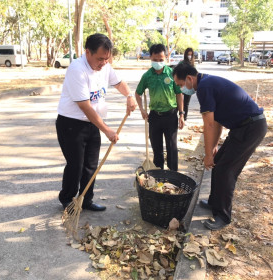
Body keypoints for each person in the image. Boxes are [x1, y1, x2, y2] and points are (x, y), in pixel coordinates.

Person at [172, 63, 267, 230]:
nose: (182, 89)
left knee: (226, 170)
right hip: (242, 127)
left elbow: (208, 125)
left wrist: (208, 154)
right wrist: (214, 147)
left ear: (189, 78)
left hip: (251, 128)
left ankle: (223, 215)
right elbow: (216, 122)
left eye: (181, 85)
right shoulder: (206, 83)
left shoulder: (204, 87)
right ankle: (214, 202)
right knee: (219, 163)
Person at [56, 33, 137, 211]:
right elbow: (85, 107)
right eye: (100, 59)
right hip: (71, 124)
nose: (103, 63)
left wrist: (129, 96)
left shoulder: (105, 67)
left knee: (91, 165)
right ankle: (67, 199)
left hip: (93, 123)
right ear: (87, 52)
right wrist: (107, 130)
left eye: (106, 59)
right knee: (76, 165)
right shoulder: (77, 69)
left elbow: (119, 82)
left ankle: (86, 200)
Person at [134, 44, 184, 171]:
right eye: (155, 60)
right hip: (155, 116)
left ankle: (173, 175)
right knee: (157, 150)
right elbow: (138, 93)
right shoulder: (147, 76)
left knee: (172, 148)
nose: (158, 62)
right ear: (150, 58)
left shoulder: (172, 74)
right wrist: (142, 110)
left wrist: (181, 114)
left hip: (171, 115)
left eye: (161, 60)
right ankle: (159, 175)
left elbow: (179, 94)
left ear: (166, 57)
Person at [181, 48, 196, 121]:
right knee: (179, 103)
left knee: (186, 104)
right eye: (188, 54)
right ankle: (178, 117)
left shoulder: (193, 64)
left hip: (189, 86)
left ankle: (184, 118)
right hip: (182, 85)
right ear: (185, 55)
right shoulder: (182, 63)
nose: (189, 56)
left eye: (191, 54)